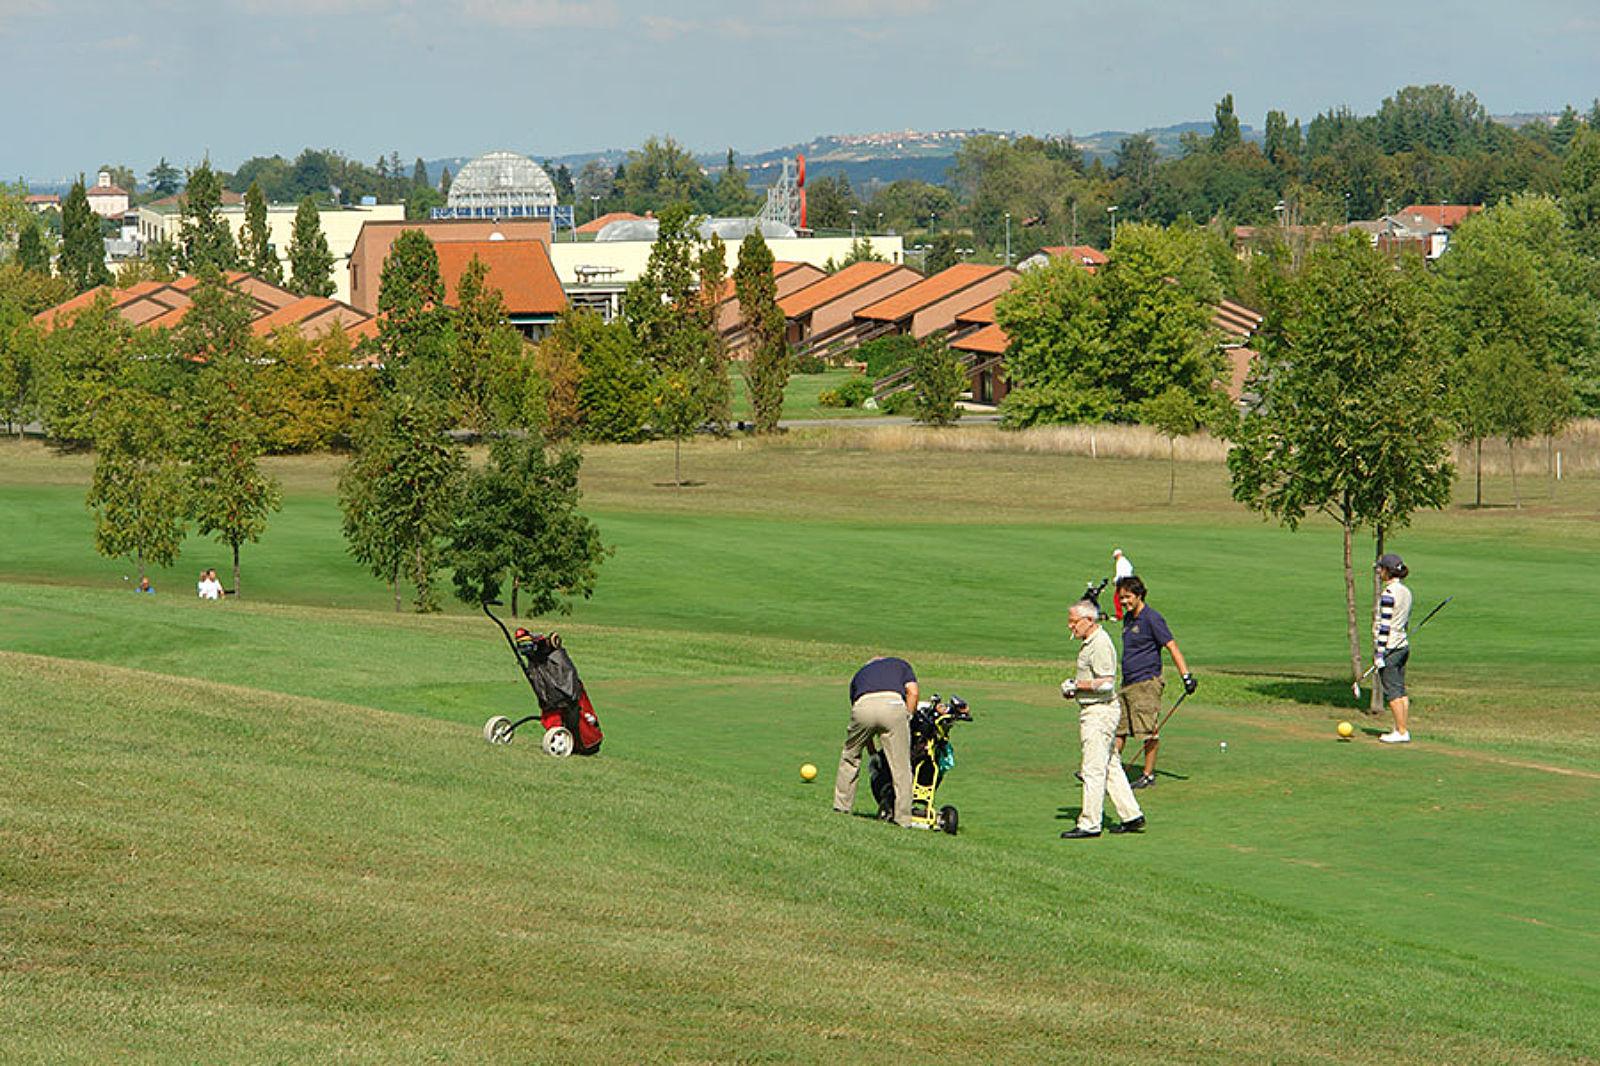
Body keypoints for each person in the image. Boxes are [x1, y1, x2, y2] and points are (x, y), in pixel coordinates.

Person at [1061, 600, 1144, 838]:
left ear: (1089, 620)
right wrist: (1076, 690)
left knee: (1093, 768)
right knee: (1110, 765)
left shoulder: (1100, 644)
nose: (1070, 626)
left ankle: (1090, 823)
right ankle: (1131, 815)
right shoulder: (1090, 642)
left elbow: (1106, 683)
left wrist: (1077, 685)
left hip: (1099, 712)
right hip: (1097, 709)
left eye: (1074, 621)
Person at [1114, 575, 1195, 789]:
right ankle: (1107, 769)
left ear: (1139, 595)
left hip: (1146, 682)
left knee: (1148, 730)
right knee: (1119, 729)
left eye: (1127, 597)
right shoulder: (1129, 618)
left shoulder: (1152, 618)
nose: (1124, 602)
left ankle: (1148, 775)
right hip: (1127, 682)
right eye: (1121, 598)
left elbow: (1172, 646)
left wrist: (1186, 676)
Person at [833, 656, 919, 828]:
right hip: (893, 705)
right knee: (901, 766)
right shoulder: (901, 664)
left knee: (850, 757)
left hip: (863, 707)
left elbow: (863, 724)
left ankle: (841, 808)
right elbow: (913, 692)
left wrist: (872, 753)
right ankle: (903, 819)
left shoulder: (860, 674)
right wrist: (907, 717)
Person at [1374, 553, 1414, 744]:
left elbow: (1384, 626)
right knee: (1400, 690)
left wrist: (1379, 653)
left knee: (1392, 692)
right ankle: (1401, 728)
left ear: (1387, 571)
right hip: (1402, 645)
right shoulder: (1406, 592)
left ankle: (1401, 731)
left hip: (1390, 647)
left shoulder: (1388, 594)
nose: (1379, 571)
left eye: (1380, 568)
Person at [1111, 548, 1134, 619]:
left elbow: (1120, 574)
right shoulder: (1126, 561)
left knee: (1117, 598)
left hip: (1123, 582)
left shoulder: (1119, 562)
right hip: (1129, 581)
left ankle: (1119, 615)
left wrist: (1115, 581)